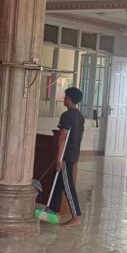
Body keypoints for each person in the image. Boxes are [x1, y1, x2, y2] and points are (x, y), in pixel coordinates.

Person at [48, 87, 85, 227]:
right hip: (73, 153)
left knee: (68, 185)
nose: (64, 99)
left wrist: (58, 159)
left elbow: (63, 137)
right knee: (56, 182)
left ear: (69, 99)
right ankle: (52, 213)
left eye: (65, 97)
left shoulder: (67, 115)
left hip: (66, 156)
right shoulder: (80, 116)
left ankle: (75, 217)